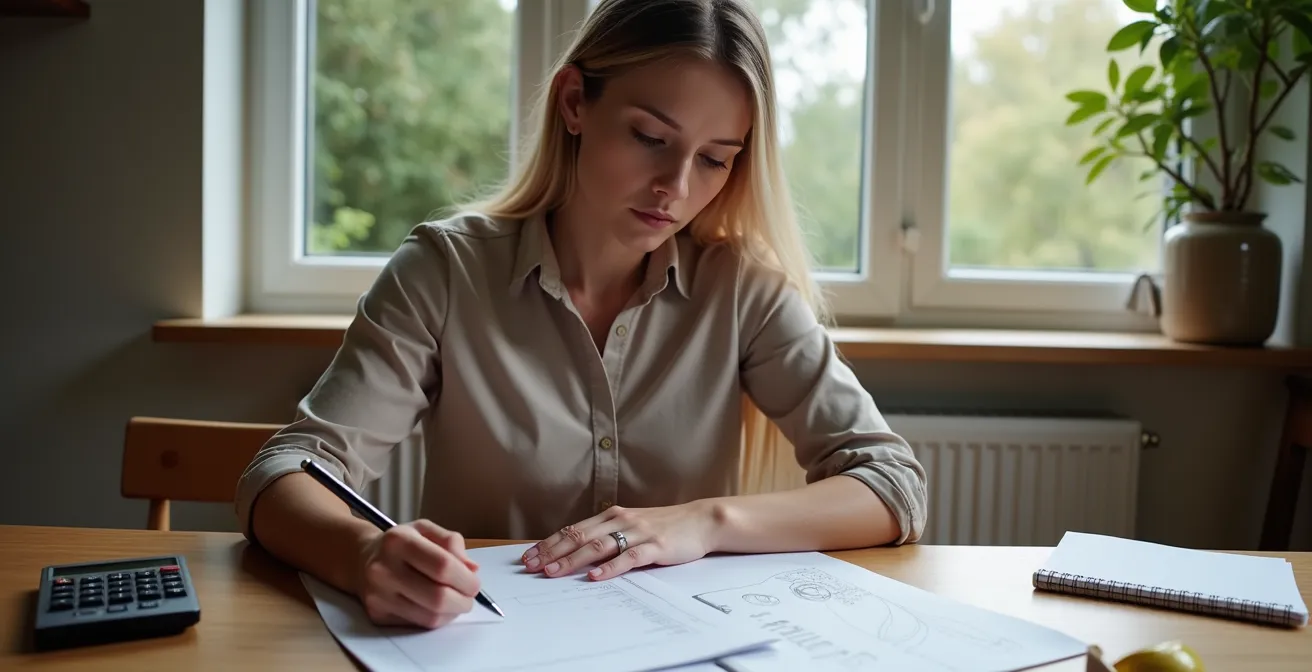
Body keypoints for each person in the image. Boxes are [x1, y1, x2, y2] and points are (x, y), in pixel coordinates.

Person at [235, 0, 928, 631]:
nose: (676, 187)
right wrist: (364, 555)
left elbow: (891, 484)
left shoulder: (743, 290)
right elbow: (284, 471)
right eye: (651, 137)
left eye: (715, 160)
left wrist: (705, 522)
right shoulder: (446, 272)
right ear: (574, 102)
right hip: (480, 645)